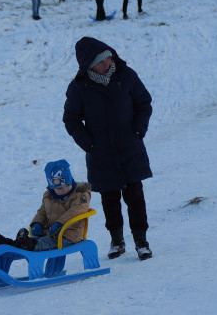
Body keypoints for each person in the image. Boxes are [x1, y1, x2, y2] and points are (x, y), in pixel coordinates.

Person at [63, 38, 153, 260]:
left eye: (109, 56)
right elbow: (71, 120)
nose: (108, 62)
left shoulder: (126, 75)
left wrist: (138, 131)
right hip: (100, 153)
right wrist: (89, 144)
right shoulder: (79, 88)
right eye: (102, 60)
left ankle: (142, 242)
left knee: (135, 196)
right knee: (109, 199)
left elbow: (144, 102)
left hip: (129, 147)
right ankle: (116, 240)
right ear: (89, 65)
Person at [0, 160, 92, 251]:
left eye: (67, 185)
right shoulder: (48, 196)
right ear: (52, 188)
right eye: (59, 188)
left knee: (44, 243)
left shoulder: (81, 194)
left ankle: (25, 244)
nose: (64, 190)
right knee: (37, 240)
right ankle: (7, 244)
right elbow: (42, 211)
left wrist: (60, 224)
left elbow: (77, 210)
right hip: (50, 233)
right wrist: (37, 223)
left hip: (69, 235)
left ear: (71, 182)